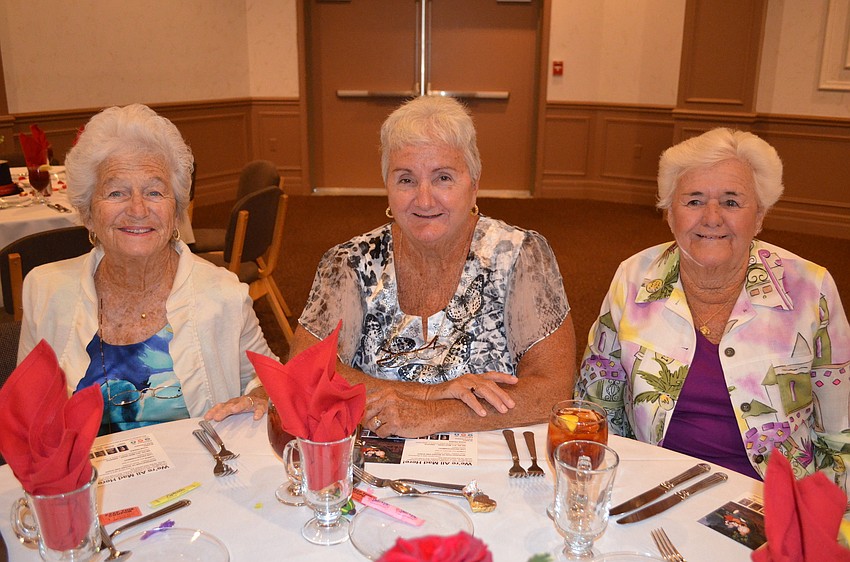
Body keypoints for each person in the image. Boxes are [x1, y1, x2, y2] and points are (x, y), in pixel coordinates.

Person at [577, 128, 850, 492]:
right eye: (693, 200)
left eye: (732, 202)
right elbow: (596, 406)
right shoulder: (633, 278)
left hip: (773, 501)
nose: (711, 217)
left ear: (759, 217)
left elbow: (841, 433)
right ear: (669, 214)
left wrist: (831, 526)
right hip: (655, 488)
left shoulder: (809, 288)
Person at [291, 95, 576, 437]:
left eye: (443, 178)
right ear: (387, 187)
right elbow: (306, 371)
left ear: (474, 184)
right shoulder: (349, 263)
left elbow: (553, 391)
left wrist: (435, 415)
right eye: (406, 180)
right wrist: (428, 393)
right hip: (369, 462)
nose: (424, 200)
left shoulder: (519, 256)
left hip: (490, 464)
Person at [18, 104, 275, 433]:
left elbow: (270, 381)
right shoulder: (46, 291)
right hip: (84, 479)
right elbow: (24, 413)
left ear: (176, 209)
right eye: (116, 192)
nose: (138, 209)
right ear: (88, 212)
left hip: (195, 478)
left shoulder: (224, 295)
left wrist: (261, 397)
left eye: (154, 191)